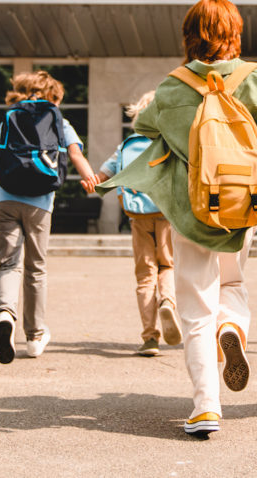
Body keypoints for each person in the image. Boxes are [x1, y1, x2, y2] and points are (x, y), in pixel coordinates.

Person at [96, 0, 257, 437]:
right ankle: (231, 326)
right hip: (244, 205)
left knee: (195, 306)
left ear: (189, 36)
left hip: (192, 209)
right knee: (232, 282)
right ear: (235, 33)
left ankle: (206, 406)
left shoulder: (173, 87)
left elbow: (144, 129)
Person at [0, 71, 99, 364]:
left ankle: (4, 315)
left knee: (8, 264)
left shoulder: (9, 118)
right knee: (35, 268)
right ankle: (35, 336)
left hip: (5, 199)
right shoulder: (59, 120)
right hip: (39, 202)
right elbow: (75, 155)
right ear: (53, 97)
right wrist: (90, 179)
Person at [96, 91, 182, 357]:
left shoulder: (126, 146)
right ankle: (167, 300)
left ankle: (150, 338)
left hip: (137, 216)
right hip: (166, 213)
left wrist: (92, 180)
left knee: (145, 275)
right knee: (167, 264)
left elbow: (102, 176)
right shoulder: (169, 142)